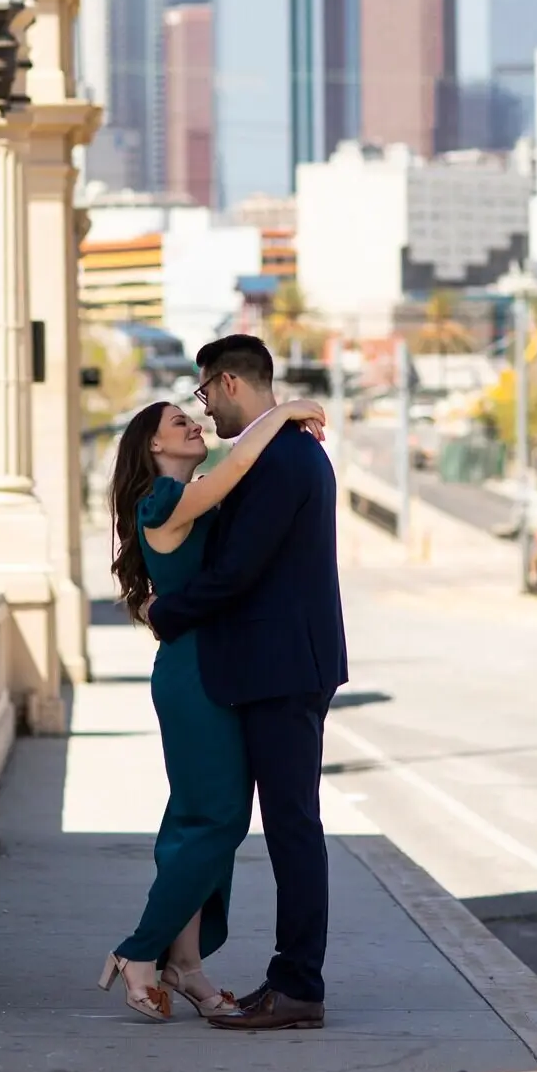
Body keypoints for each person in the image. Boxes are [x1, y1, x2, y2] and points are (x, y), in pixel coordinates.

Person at [100, 387, 327, 1020]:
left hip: (213, 668)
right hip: (195, 675)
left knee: (196, 818)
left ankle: (188, 967)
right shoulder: (165, 498)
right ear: (153, 444)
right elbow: (239, 464)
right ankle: (138, 951)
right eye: (180, 420)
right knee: (217, 818)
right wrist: (282, 413)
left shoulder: (188, 496)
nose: (195, 424)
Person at [148, 334, 348, 1032]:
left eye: (204, 392)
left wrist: (164, 613)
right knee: (291, 825)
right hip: (281, 664)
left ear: (230, 382)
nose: (204, 407)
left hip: (282, 669)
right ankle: (292, 981)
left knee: (293, 828)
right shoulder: (284, 449)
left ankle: (297, 987)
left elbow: (237, 572)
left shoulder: (281, 459)